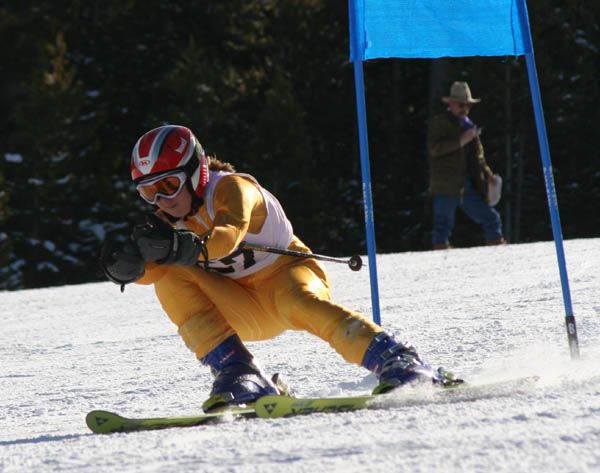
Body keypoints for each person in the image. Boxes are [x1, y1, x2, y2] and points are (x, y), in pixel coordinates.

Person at [100, 125, 458, 411]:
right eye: (148, 193)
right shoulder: (167, 223)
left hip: (288, 275)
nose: (162, 200)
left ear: (197, 172)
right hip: (244, 304)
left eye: (168, 185)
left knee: (296, 303)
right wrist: (129, 269)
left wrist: (183, 248)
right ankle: (238, 371)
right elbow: (158, 273)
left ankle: (399, 359)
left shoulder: (232, 189)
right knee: (170, 276)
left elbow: (228, 234)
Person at [427, 81, 505, 250]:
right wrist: (461, 141)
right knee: (442, 226)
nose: (465, 108)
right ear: (451, 104)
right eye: (462, 104)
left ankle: (498, 251)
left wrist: (488, 174)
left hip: (466, 184)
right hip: (446, 184)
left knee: (491, 218)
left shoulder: (469, 126)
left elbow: (478, 157)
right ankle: (439, 258)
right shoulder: (439, 123)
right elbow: (434, 149)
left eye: (468, 105)